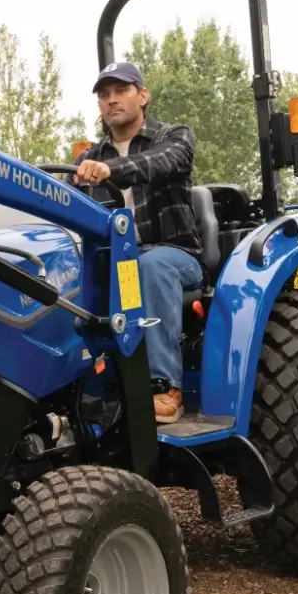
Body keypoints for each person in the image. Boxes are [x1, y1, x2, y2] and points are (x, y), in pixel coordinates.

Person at [71, 61, 201, 423]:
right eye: (104, 95)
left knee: (150, 265)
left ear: (143, 96)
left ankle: (164, 386)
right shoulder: (87, 159)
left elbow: (160, 163)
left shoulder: (174, 137)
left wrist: (114, 171)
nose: (111, 100)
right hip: (118, 265)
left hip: (175, 256)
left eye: (121, 91)